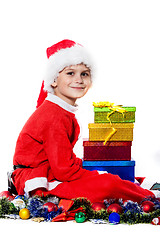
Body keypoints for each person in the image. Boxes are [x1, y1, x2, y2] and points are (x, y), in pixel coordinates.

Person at [12, 39, 155, 203]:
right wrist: (97, 175)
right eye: (70, 73)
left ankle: (140, 189)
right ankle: (149, 197)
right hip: (39, 178)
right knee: (108, 184)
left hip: (53, 170)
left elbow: (64, 160)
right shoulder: (53, 115)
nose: (79, 79)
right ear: (53, 80)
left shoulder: (63, 111)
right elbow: (64, 171)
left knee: (111, 174)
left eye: (84, 74)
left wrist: (94, 168)